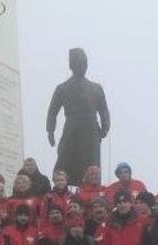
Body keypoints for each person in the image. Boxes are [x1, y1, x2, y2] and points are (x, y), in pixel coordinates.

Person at [46, 48, 110, 186]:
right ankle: (63, 187)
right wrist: (50, 130)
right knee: (65, 160)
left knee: (91, 164)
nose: (82, 66)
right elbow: (53, 110)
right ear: (71, 65)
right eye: (78, 63)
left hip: (91, 130)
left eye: (84, 63)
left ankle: (91, 189)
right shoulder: (62, 88)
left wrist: (105, 128)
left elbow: (104, 110)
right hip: (72, 128)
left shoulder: (96, 88)